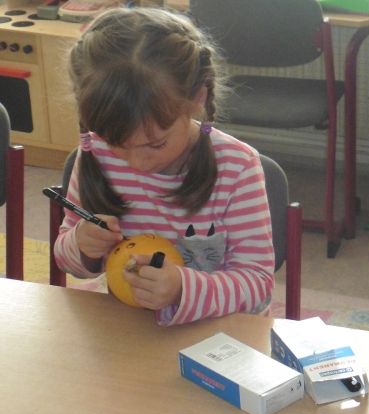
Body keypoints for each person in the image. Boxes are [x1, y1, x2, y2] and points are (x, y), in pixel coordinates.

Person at [53, 8, 275, 326]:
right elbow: (66, 256)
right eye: (117, 144)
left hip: (222, 334)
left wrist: (181, 288)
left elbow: (257, 283)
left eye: (155, 144)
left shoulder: (237, 168)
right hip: (131, 328)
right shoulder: (97, 153)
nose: (137, 162)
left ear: (197, 98)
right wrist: (82, 244)